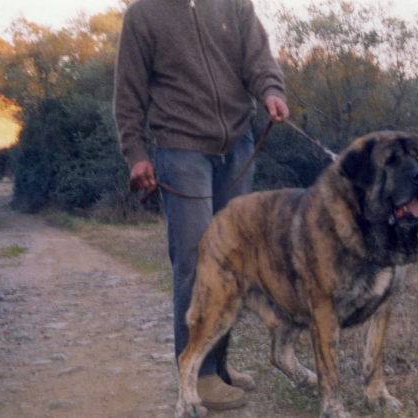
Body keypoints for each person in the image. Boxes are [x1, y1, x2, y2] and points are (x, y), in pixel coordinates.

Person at [113, 0, 289, 411]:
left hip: (238, 145)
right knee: (196, 261)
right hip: (181, 148)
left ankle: (220, 365)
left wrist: (272, 91)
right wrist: (136, 153)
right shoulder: (143, 15)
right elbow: (129, 91)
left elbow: (259, 59)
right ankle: (201, 376)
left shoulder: (235, 5)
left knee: (235, 261)